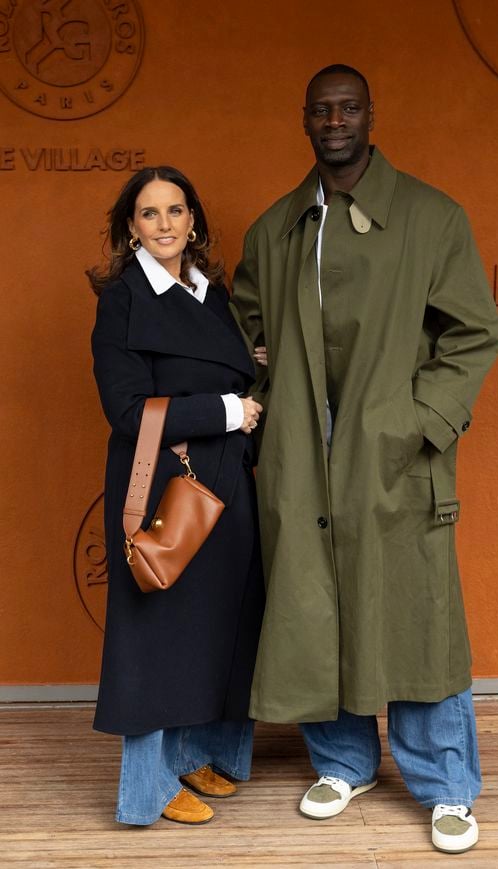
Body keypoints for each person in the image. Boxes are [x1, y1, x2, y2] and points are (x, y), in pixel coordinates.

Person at [232, 65, 498, 853]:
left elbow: (473, 333)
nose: (336, 120)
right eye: (322, 109)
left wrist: (415, 422)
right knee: (315, 606)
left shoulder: (430, 217)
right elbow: (243, 332)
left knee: (415, 614)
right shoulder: (275, 228)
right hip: (301, 455)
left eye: (349, 107)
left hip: (390, 451)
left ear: (371, 116)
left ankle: (446, 782)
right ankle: (343, 760)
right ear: (305, 120)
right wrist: (264, 400)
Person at [88, 166, 265, 826]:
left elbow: (230, 366)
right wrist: (227, 410)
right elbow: (127, 408)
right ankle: (148, 789)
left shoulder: (213, 292)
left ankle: (196, 754)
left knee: (219, 622)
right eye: (148, 213)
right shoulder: (123, 299)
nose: (164, 224)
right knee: (156, 632)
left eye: (175, 210)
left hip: (225, 482)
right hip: (168, 482)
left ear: (195, 221)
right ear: (130, 228)